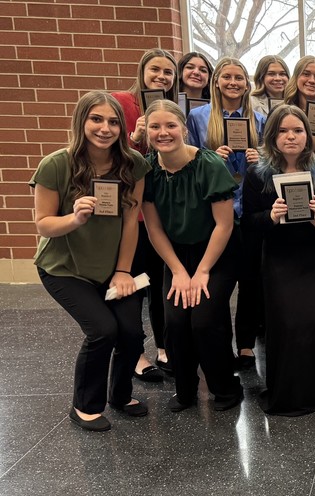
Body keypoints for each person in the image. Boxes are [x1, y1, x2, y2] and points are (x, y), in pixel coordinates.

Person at [31, 91, 151, 431]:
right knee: (102, 331)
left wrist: (123, 270)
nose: (105, 128)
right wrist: (75, 219)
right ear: (81, 122)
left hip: (113, 267)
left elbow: (131, 222)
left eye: (113, 122)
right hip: (64, 268)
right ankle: (85, 405)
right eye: (96, 119)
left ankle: (120, 395)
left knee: (131, 332)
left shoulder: (133, 164)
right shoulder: (56, 164)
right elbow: (43, 224)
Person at [243, 104, 315, 414]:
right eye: (283, 131)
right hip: (280, 261)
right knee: (286, 326)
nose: (291, 137)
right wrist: (270, 217)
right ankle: (284, 393)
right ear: (272, 136)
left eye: (298, 130)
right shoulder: (257, 176)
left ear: (308, 135)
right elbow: (248, 223)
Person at [140, 99, 244, 412]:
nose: (163, 132)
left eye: (170, 125)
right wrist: (178, 271)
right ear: (147, 132)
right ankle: (185, 391)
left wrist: (202, 271)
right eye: (155, 126)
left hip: (217, 251)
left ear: (184, 129)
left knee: (204, 320)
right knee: (175, 321)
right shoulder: (147, 169)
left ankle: (225, 388)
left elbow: (224, 225)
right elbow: (154, 228)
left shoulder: (208, 164)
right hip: (175, 254)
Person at [186, 57, 267, 370]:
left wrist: (260, 159)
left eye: (239, 78)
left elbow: (272, 164)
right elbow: (188, 161)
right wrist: (209, 158)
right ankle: (221, 343)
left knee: (250, 281)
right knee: (219, 284)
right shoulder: (198, 117)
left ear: (247, 84)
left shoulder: (259, 119)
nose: (233, 83)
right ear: (216, 81)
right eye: (227, 77)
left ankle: (246, 344)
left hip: (249, 209)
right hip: (216, 212)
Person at [111, 48, 176, 382]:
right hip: (131, 214)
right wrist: (134, 139)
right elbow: (108, 151)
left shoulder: (171, 108)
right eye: (155, 70)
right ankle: (135, 353)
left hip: (161, 212)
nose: (161, 77)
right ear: (142, 71)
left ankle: (164, 346)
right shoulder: (123, 103)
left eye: (168, 72)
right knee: (134, 283)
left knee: (160, 284)